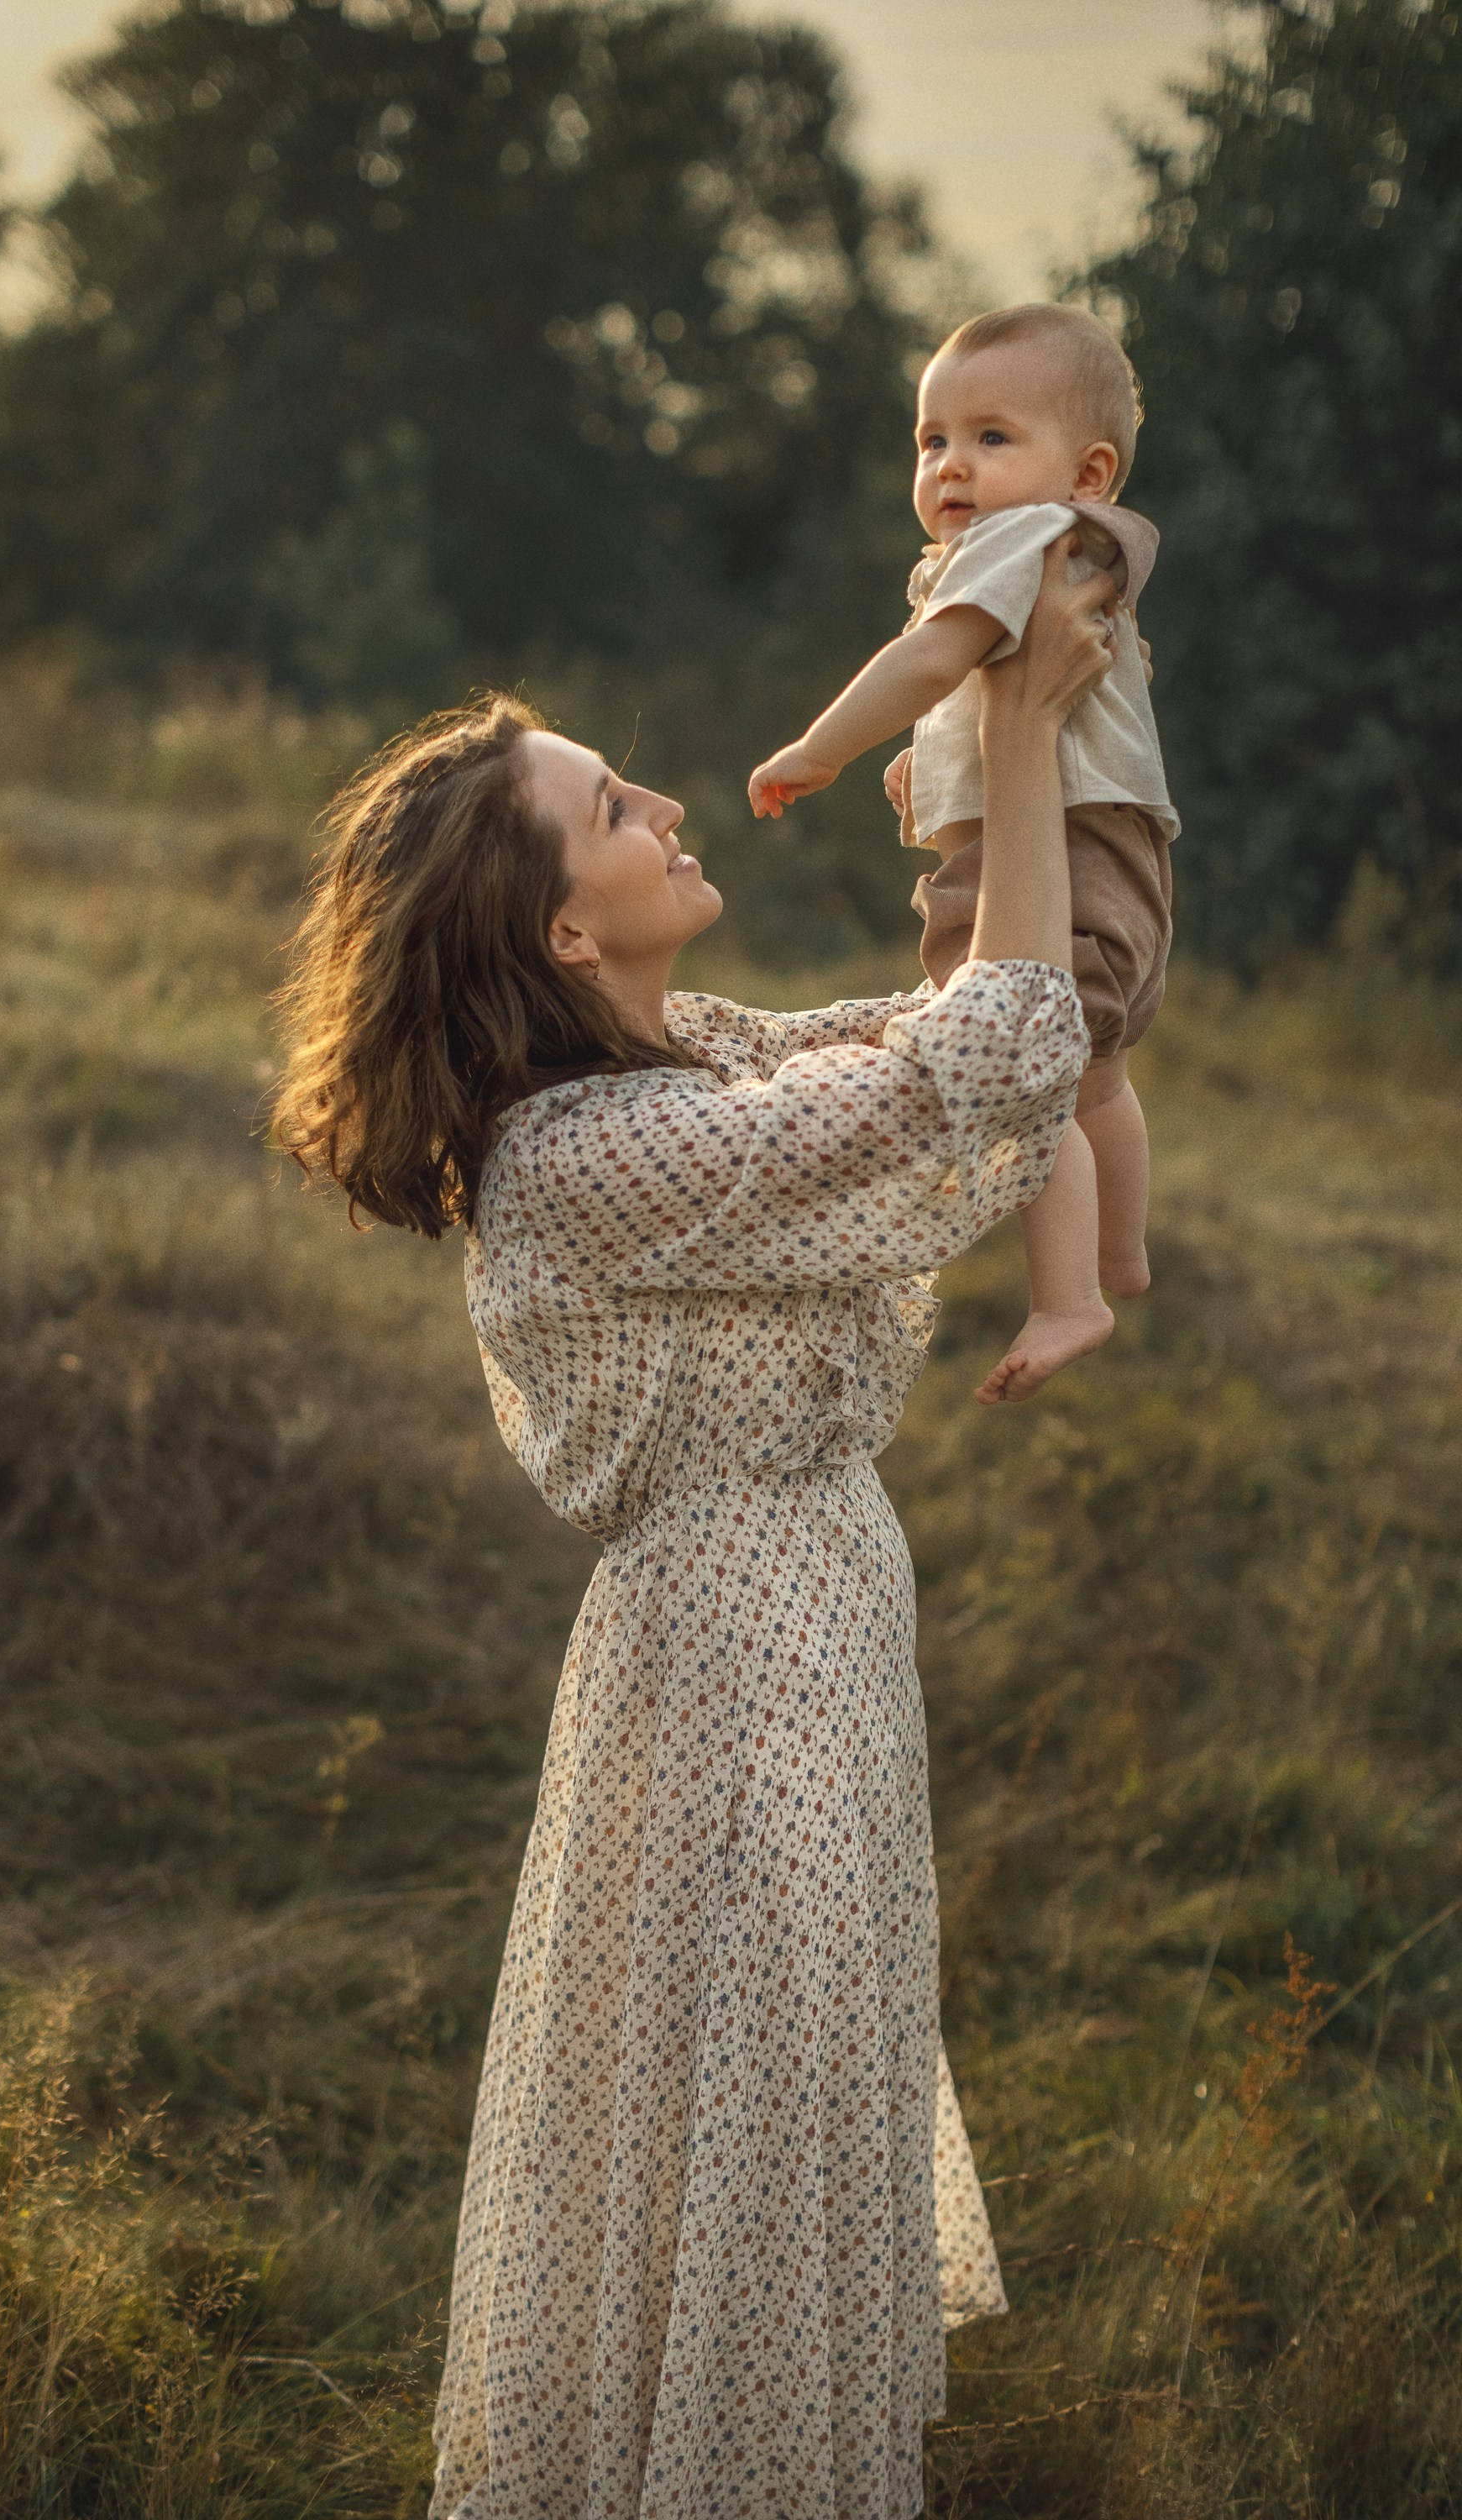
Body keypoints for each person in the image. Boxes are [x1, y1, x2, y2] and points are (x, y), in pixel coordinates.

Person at [271, 542, 1115, 2520]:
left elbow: (953, 1052)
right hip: (734, 1674)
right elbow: (992, 1049)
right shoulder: (582, 1158)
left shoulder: (695, 1056)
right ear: (564, 928)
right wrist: (1001, 707)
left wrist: (1018, 762)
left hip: (804, 1627)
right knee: (753, 2136)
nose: (660, 803)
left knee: (779, 2129)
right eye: (611, 806)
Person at [749, 302, 1177, 1405]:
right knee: (1099, 1072)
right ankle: (1121, 1253)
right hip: (1124, 852)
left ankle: (1069, 1294)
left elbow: (926, 662)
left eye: (993, 438)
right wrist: (933, 766)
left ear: (1087, 472)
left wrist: (822, 746)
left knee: (1031, 1074)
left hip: (1062, 855)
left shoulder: (1015, 542)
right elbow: (1014, 706)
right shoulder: (1072, 556)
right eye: (932, 440)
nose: (951, 465)